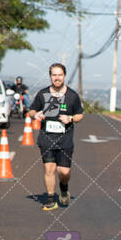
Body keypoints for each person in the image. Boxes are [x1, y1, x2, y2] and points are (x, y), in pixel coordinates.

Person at [29, 63, 84, 211]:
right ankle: (51, 199)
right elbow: (32, 110)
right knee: (49, 169)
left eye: (59, 75)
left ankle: (64, 189)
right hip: (46, 139)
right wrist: (37, 115)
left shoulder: (72, 96)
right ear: (50, 76)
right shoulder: (43, 94)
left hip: (65, 141)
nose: (57, 78)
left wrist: (71, 119)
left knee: (64, 172)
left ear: (64, 76)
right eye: (54, 75)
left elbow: (80, 114)